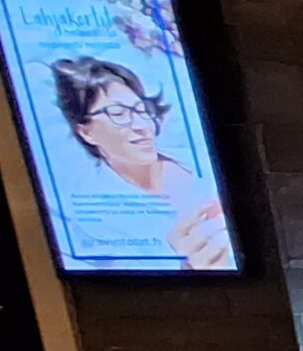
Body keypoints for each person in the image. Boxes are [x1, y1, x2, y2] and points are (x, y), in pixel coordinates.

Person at [50, 57, 231, 269]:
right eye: (118, 113)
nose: (141, 125)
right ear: (86, 132)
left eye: (141, 109)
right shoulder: (88, 218)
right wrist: (186, 270)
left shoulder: (202, 159)